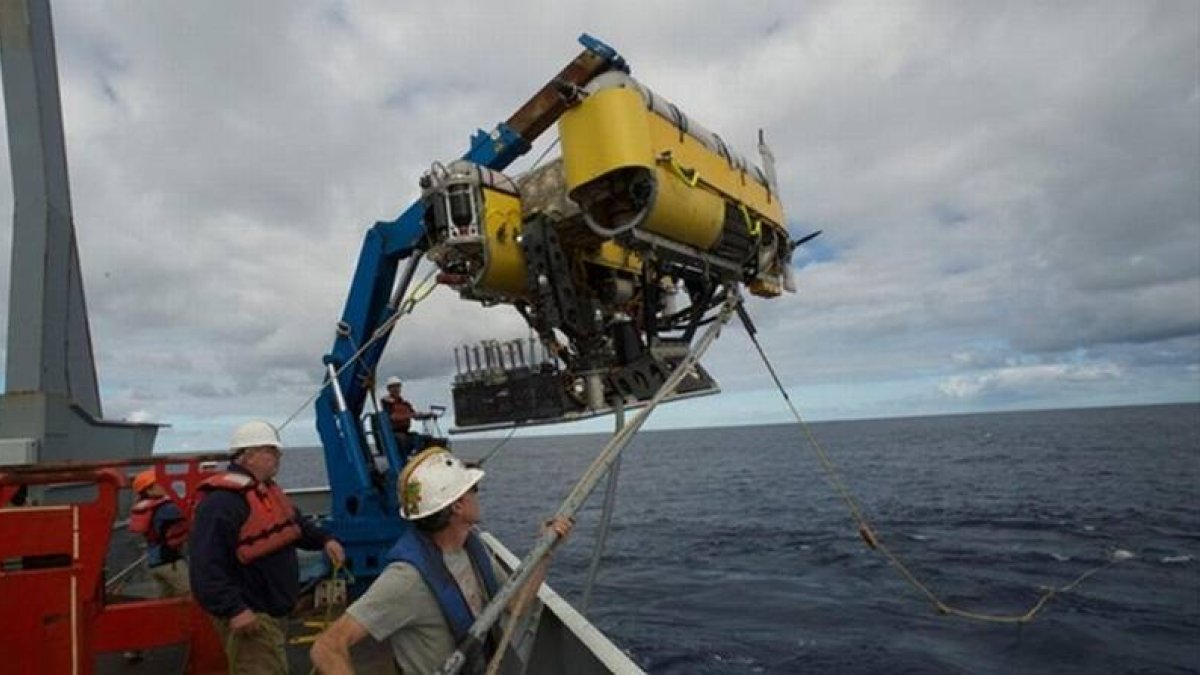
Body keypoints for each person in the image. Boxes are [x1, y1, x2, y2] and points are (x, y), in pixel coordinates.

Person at [309, 447, 572, 675]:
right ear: (457, 506)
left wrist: (544, 552)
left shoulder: (470, 549)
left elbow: (515, 604)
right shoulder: (407, 579)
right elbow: (327, 646)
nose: (477, 495)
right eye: (473, 489)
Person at [190, 420, 346, 674]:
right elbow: (205, 566)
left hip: (271, 613)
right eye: (271, 451)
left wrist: (325, 540)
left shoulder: (267, 492)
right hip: (251, 616)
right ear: (248, 456)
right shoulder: (221, 503)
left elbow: (294, 525)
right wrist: (235, 609)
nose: (279, 457)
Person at [129, 468, 190, 598]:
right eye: (160, 483)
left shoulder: (147, 507)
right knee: (192, 595)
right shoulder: (166, 508)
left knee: (166, 602)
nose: (165, 485)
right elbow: (189, 512)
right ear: (149, 490)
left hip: (155, 563)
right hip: (170, 562)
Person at [380, 376, 433, 454]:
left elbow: (415, 415)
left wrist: (427, 415)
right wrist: (409, 415)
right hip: (394, 433)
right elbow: (392, 417)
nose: (396, 389)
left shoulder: (405, 404)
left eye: (397, 386)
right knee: (402, 439)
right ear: (389, 389)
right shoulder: (387, 403)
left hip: (405, 431)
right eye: (393, 387)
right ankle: (405, 459)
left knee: (424, 438)